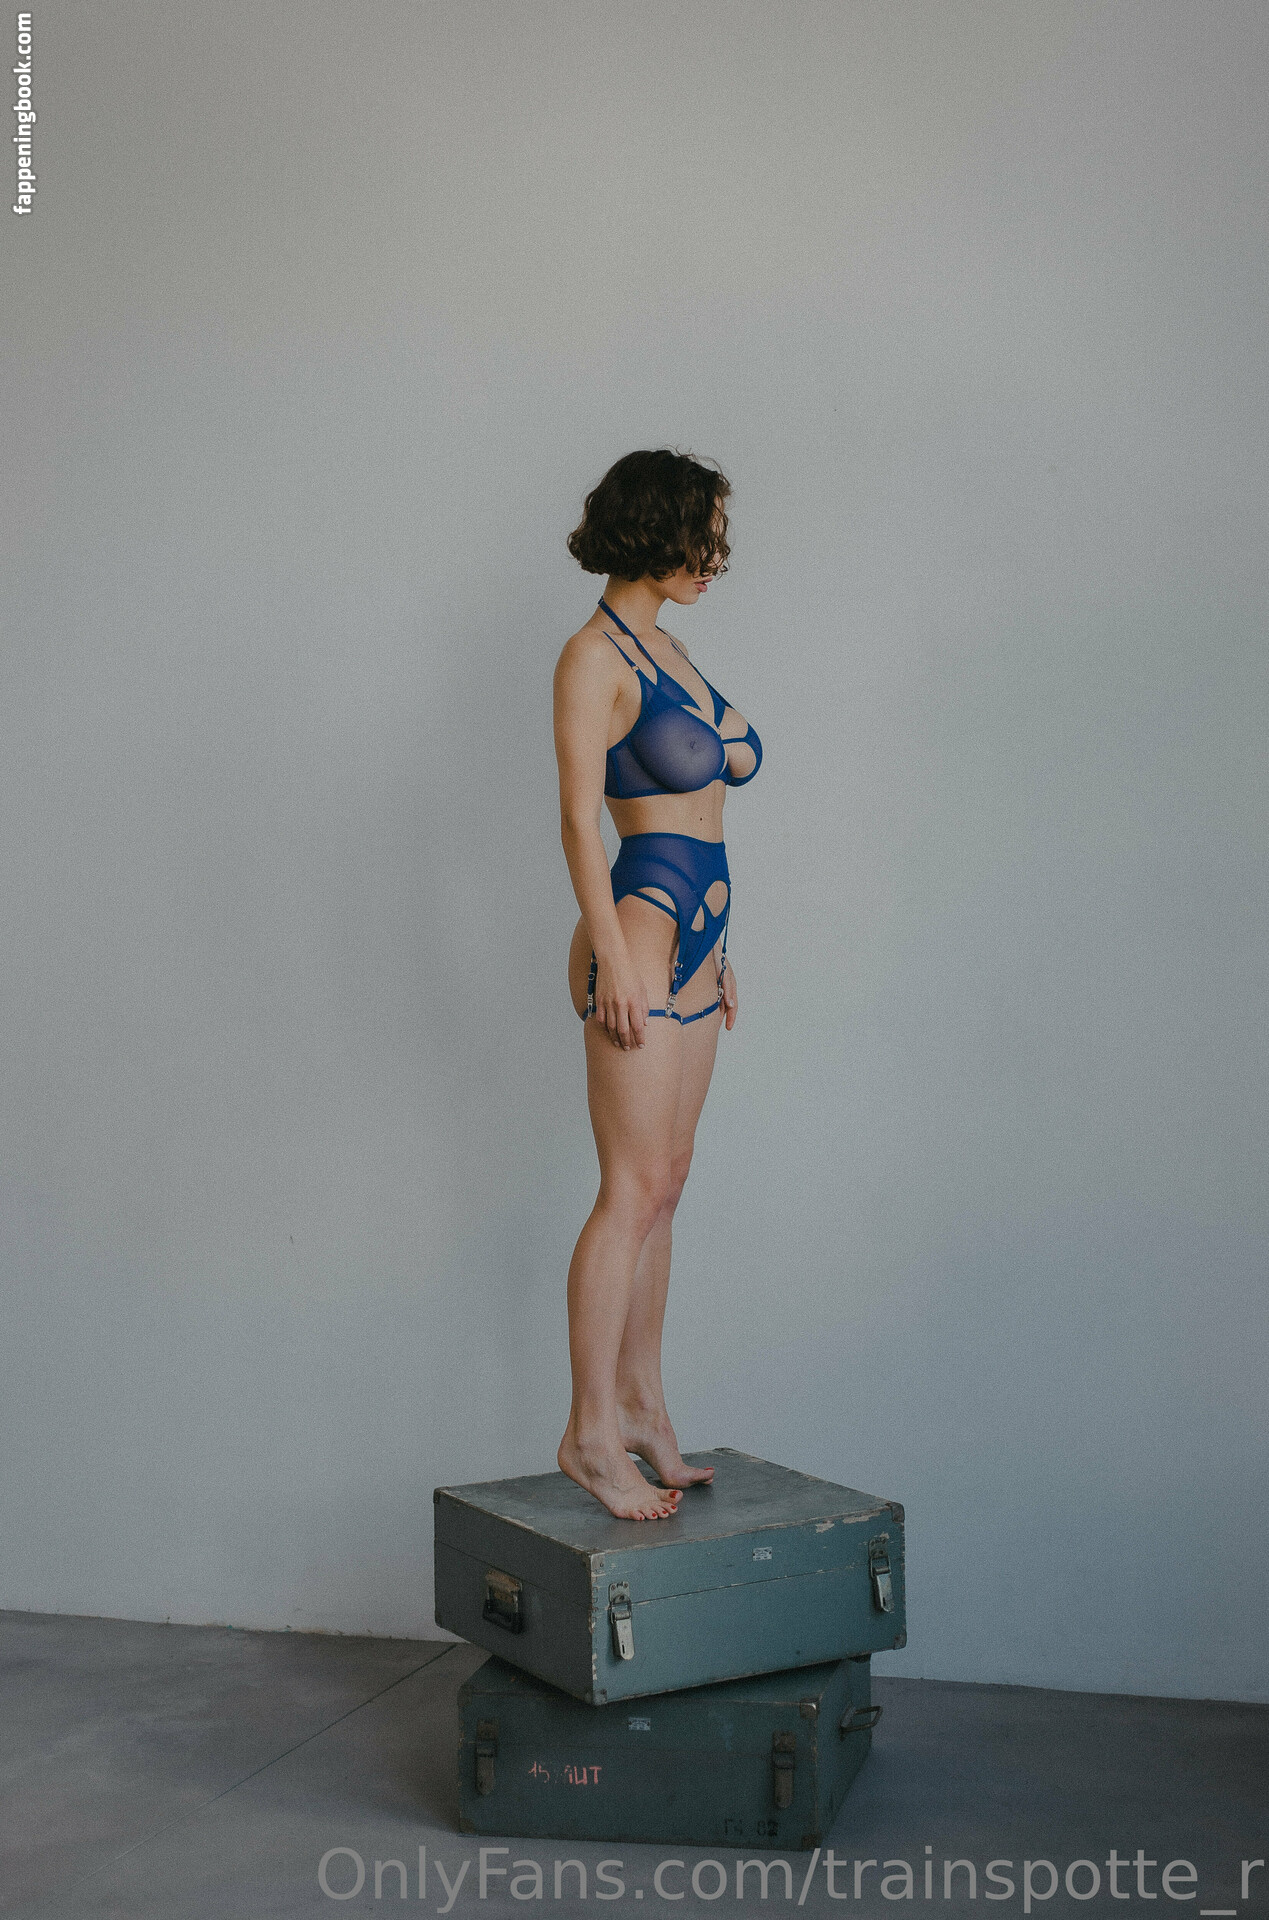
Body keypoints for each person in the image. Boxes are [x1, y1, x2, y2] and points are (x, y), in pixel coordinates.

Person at [552, 449, 763, 1521]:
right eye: (701, 537)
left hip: (699, 938)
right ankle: (588, 1434)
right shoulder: (591, 657)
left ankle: (641, 1407)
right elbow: (577, 821)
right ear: (651, 530)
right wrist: (611, 955)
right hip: (638, 932)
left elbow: (706, 815)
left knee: (667, 1183)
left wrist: (718, 950)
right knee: (629, 1189)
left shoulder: (671, 648)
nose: (715, 558)